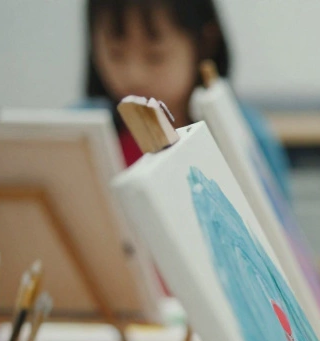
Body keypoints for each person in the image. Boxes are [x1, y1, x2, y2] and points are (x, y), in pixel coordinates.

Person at [81, 0, 291, 196]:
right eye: (115, 53)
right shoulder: (77, 135)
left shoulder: (246, 136)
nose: (134, 75)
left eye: (155, 56)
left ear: (205, 42)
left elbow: (278, 233)